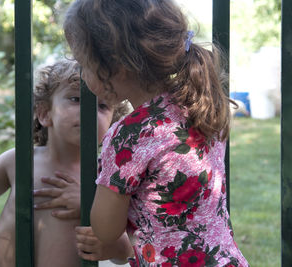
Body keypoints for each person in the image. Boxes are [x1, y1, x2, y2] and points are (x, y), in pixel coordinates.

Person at [59, 0, 250, 266]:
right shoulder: (201, 104)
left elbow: (105, 229)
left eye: (84, 64)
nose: (82, 74)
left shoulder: (130, 135)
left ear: (116, 66)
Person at [0, 59, 133, 267]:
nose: (90, 111)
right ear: (44, 113)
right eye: (75, 98)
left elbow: (128, 247)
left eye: (102, 106)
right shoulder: (17, 160)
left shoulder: (108, 176)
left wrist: (90, 206)